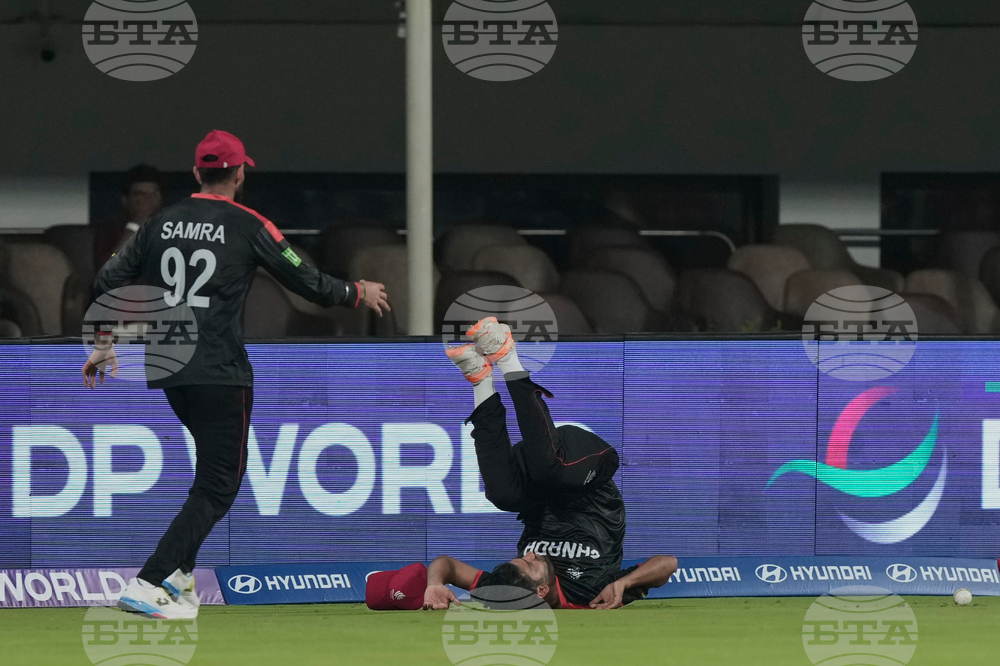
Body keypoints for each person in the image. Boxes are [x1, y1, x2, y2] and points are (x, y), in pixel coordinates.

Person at [84, 130, 390, 619]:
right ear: (240, 173)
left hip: (167, 366)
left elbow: (106, 281)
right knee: (219, 485)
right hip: (218, 368)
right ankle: (148, 582)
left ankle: (181, 579)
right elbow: (305, 281)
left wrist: (103, 344)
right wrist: (355, 292)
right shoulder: (250, 224)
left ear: (195, 174)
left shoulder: (159, 222)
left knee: (207, 479)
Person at [368, 317, 677, 611]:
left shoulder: (508, 587)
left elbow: (446, 564)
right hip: (587, 472)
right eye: (531, 563)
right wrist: (625, 582)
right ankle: (499, 364)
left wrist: (434, 583)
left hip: (549, 467)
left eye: (524, 557)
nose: (530, 553)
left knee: (502, 494)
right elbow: (668, 564)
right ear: (541, 589)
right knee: (542, 475)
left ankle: (486, 377)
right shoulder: (591, 592)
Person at [94, 164, 167, 270]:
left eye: (154, 194)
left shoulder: (174, 227)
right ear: (125, 200)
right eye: (140, 194)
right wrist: (135, 226)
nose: (148, 199)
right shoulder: (110, 231)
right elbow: (108, 266)